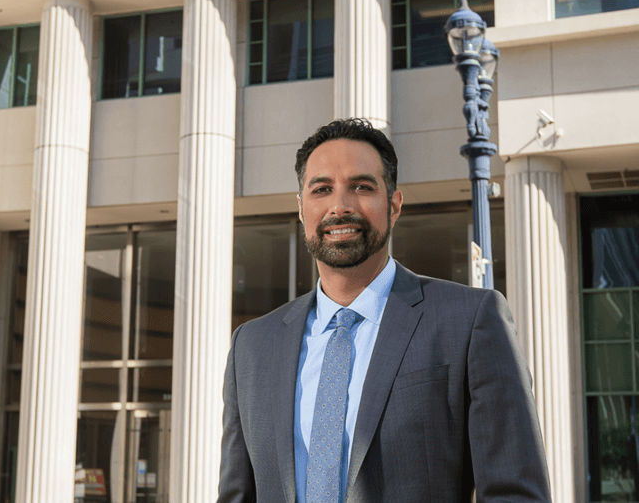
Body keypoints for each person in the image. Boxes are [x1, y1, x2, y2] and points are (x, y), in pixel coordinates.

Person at [218, 118, 550, 503]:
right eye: (322, 189)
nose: (339, 207)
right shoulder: (252, 347)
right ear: (301, 208)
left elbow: (515, 493)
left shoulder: (471, 321)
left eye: (361, 187)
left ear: (393, 205)